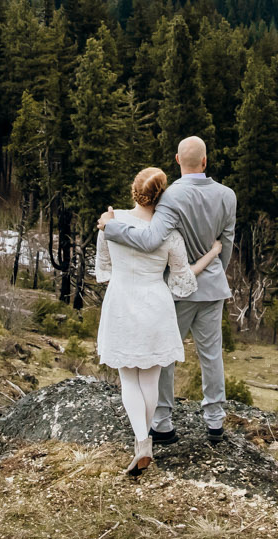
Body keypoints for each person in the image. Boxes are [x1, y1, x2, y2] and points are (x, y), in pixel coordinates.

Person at [100, 135, 237, 444]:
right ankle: (214, 421)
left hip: (177, 290)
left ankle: (162, 422)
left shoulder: (171, 196)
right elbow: (225, 243)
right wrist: (216, 272)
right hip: (214, 286)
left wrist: (111, 226)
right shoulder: (228, 195)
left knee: (164, 355)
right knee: (212, 354)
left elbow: (151, 241)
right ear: (205, 161)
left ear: (178, 161)